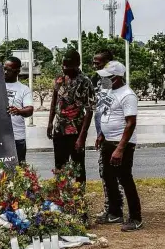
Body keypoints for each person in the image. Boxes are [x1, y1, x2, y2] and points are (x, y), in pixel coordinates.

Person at [96, 61, 143, 232]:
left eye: (106, 78)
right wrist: (101, 134)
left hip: (121, 143)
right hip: (108, 140)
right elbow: (107, 114)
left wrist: (120, 149)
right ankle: (115, 212)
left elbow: (130, 123)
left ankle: (136, 217)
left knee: (125, 179)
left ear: (115, 78)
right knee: (108, 177)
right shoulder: (110, 91)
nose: (102, 80)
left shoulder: (127, 95)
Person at [47, 49, 95, 182]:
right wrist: (50, 123)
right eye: (63, 65)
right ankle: (62, 199)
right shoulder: (59, 79)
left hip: (76, 131)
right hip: (59, 130)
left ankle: (79, 199)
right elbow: (54, 101)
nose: (64, 68)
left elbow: (89, 110)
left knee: (78, 168)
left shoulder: (85, 82)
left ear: (77, 64)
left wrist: (82, 136)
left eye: (67, 65)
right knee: (60, 167)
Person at [92, 49, 125, 223]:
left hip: (114, 136)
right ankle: (110, 207)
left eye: (98, 63)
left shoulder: (113, 83)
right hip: (104, 133)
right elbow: (99, 109)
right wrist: (99, 133)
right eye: (94, 62)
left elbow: (109, 109)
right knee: (105, 173)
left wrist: (105, 134)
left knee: (112, 174)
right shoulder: (100, 80)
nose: (95, 65)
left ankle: (115, 210)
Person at [4, 57, 34, 164]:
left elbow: (29, 110)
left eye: (9, 70)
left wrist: (19, 111)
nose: (5, 72)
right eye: (4, 69)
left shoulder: (23, 89)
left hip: (17, 137)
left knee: (19, 169)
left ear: (17, 71)